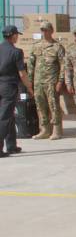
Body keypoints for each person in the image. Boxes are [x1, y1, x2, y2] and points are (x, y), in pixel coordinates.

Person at [28, 20, 67, 140]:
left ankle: (57, 130)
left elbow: (63, 65)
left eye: (46, 30)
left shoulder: (57, 47)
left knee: (53, 105)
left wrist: (60, 81)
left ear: (51, 31)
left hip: (51, 82)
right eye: (42, 30)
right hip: (38, 82)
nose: (44, 32)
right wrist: (30, 82)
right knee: (40, 106)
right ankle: (45, 129)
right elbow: (31, 65)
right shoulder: (36, 46)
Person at [0, 25, 33, 157]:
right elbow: (22, 74)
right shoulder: (16, 52)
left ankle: (11, 145)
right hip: (9, 87)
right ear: (13, 35)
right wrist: (29, 87)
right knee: (4, 117)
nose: (17, 37)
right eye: (17, 35)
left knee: (9, 116)